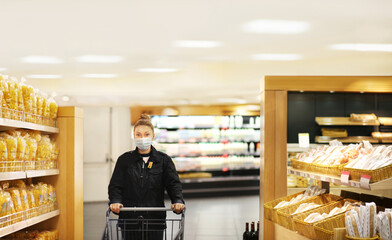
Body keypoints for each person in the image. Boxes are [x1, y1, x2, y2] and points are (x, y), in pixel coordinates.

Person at [108, 114, 185, 240]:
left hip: (154, 220)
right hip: (130, 220)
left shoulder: (164, 160)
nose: (142, 138)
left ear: (153, 136)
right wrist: (115, 201)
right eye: (138, 134)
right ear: (133, 136)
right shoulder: (124, 160)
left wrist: (177, 201)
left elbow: (173, 184)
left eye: (146, 134)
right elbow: (116, 185)